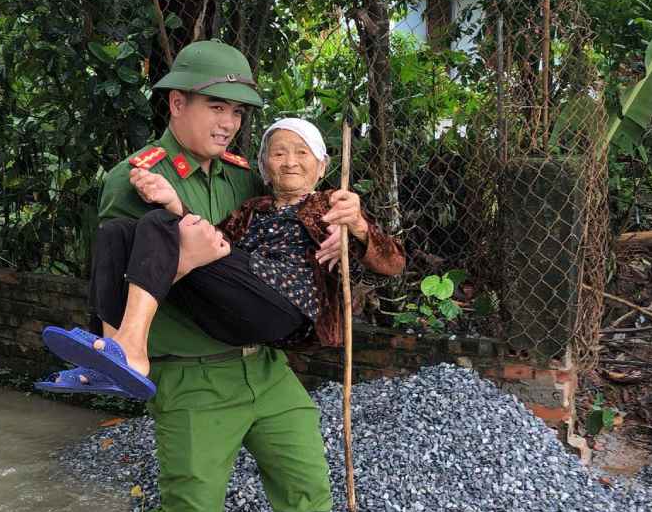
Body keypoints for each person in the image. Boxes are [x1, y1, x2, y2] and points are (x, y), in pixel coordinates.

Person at [61, 41, 383, 512]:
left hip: (263, 367)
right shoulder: (139, 177)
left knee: (307, 488)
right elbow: (120, 275)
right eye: (216, 106)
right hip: (192, 373)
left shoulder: (239, 179)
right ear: (177, 103)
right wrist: (186, 263)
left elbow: (288, 228)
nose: (228, 122)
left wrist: (346, 229)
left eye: (237, 112)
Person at [44, 116, 404, 395]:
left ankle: (133, 354)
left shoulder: (333, 207)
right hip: (235, 304)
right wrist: (174, 203)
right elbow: (206, 245)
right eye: (278, 153)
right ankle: (109, 354)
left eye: (301, 152)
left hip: (282, 308)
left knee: (160, 223)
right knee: (117, 230)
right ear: (265, 167)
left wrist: (358, 226)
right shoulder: (251, 210)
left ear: (321, 166)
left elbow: (393, 265)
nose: (290, 162)